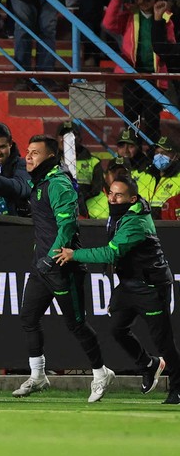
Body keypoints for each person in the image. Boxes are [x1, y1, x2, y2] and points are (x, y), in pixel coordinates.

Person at [56, 176, 180, 405]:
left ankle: (178, 387)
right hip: (129, 284)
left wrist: (74, 255)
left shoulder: (136, 222)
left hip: (151, 287)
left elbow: (111, 253)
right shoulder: (120, 214)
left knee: (163, 342)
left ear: (132, 198)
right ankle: (149, 364)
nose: (112, 199)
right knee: (116, 329)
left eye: (118, 195)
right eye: (110, 194)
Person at [13, 134, 113, 402]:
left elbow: (67, 226)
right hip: (42, 267)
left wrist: (51, 256)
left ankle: (101, 373)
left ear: (49, 156)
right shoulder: (39, 183)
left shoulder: (58, 184)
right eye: (27, 151)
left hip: (62, 267)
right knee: (28, 318)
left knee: (77, 324)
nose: (28, 156)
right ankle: (38, 376)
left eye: (35, 152)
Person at [103, 0, 175, 141]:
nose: (143, 0)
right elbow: (109, 24)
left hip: (155, 77)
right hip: (132, 75)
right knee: (130, 118)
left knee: (151, 119)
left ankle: (151, 156)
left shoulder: (165, 18)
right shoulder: (130, 14)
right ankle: (132, 156)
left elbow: (170, 46)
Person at [150, 135, 180, 215]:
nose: (159, 156)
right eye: (157, 153)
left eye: (164, 153)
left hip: (168, 223)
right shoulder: (147, 176)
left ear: (176, 156)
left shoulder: (178, 178)